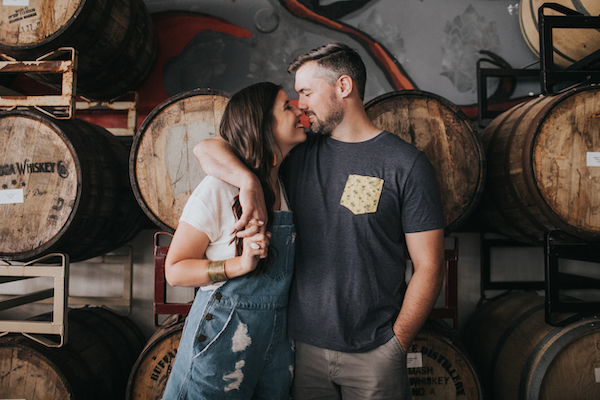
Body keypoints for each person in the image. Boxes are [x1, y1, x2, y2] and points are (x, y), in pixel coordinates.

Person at [194, 42, 445, 400]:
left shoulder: (405, 164)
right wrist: (247, 181)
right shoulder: (297, 152)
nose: (301, 104)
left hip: (375, 350)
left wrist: (397, 344)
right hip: (299, 348)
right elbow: (206, 148)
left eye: (307, 92)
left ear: (343, 87)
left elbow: (430, 265)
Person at [161, 82, 306, 399]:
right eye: (286, 107)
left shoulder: (283, 186)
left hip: (275, 340)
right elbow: (175, 270)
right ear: (262, 125)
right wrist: (237, 265)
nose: (299, 108)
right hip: (223, 336)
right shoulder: (219, 188)